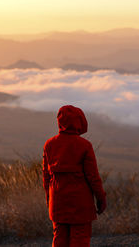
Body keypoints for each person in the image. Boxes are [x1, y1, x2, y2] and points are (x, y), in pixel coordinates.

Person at [43, 105, 107, 247]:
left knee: (59, 240)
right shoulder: (85, 146)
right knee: (80, 240)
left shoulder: (49, 145)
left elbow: (46, 178)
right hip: (81, 205)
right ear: (80, 121)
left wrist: (50, 201)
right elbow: (93, 178)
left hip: (57, 203)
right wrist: (101, 198)